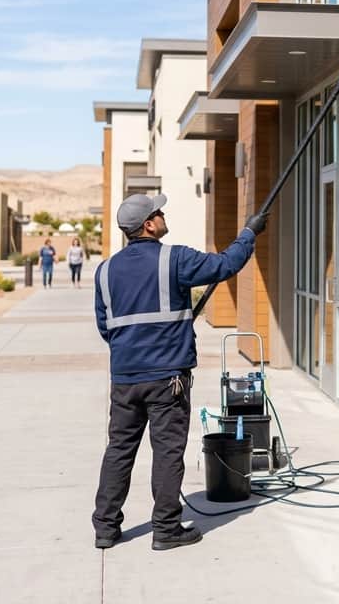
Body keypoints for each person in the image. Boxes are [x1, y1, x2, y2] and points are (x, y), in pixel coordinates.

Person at [92, 192, 267, 551]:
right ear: (149, 225)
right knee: (168, 451)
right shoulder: (174, 259)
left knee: (119, 450)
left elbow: (105, 326)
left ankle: (106, 528)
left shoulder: (105, 270)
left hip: (124, 379)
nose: (162, 214)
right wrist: (248, 234)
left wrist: (133, 352)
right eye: (158, 212)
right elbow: (224, 266)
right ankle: (166, 527)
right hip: (167, 378)